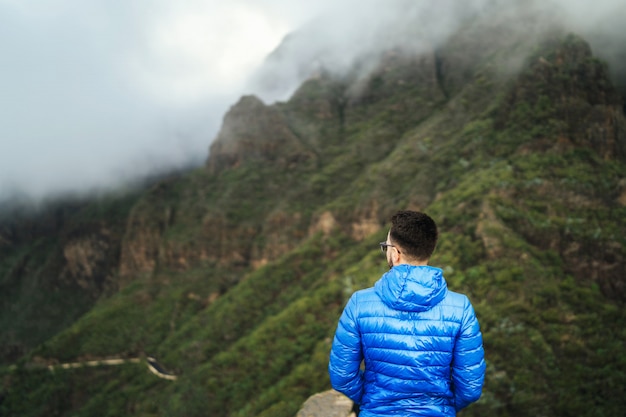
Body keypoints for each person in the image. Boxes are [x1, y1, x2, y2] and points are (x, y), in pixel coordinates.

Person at [328, 210, 485, 416]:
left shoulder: (360, 303)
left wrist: (373, 400)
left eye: (385, 247)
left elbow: (342, 377)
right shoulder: (460, 308)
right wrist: (441, 406)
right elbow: (471, 388)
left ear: (395, 252)